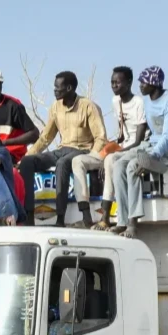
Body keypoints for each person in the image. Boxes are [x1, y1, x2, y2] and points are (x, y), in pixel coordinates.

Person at [18, 71, 107, 226]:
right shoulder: (55, 107)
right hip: (61, 149)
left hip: (82, 150)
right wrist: (27, 155)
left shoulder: (88, 106)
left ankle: (60, 218)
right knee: (27, 162)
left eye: (58, 88)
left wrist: (93, 158)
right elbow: (46, 137)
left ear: (69, 88)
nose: (55, 90)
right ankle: (29, 216)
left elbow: (100, 137)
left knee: (63, 164)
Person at [110, 66, 168, 238]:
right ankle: (121, 221)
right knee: (119, 163)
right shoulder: (147, 101)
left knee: (133, 166)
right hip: (151, 145)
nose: (140, 86)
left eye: (143, 82)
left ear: (154, 83)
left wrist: (149, 158)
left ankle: (133, 223)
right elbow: (151, 134)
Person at [71, 66, 148, 229]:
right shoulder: (115, 101)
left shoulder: (138, 103)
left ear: (129, 82)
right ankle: (86, 216)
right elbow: (121, 134)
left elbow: (139, 140)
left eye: (117, 82)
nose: (114, 86)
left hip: (135, 149)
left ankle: (105, 217)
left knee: (110, 160)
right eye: (112, 82)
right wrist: (109, 147)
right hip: (121, 147)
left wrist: (114, 152)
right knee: (78, 161)